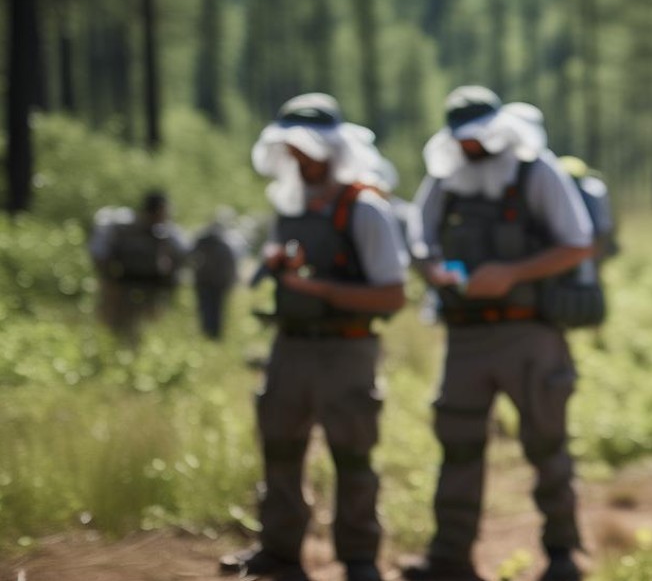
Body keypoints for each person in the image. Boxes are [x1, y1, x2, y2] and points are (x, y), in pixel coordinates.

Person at [401, 86, 594, 581]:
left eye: (478, 138)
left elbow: (577, 244)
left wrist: (512, 273)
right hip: (464, 338)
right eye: (461, 141)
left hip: (530, 335)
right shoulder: (443, 179)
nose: (471, 149)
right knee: (458, 445)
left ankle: (561, 557)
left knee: (547, 447)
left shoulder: (537, 170)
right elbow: (418, 240)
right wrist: (432, 269)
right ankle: (449, 560)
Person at [220, 93, 408, 581]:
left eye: (307, 150)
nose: (299, 160)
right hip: (290, 348)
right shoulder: (289, 205)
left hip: (347, 350)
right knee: (279, 448)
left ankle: (360, 560)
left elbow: (392, 295)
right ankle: (280, 554)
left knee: (352, 455)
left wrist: (321, 289)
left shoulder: (366, 209)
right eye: (292, 151)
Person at [88, 190, 189, 341]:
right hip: (122, 285)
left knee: (146, 328)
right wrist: (108, 278)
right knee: (116, 326)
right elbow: (100, 253)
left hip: (151, 287)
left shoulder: (167, 233)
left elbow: (183, 255)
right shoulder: (123, 227)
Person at [189, 207, 246, 340]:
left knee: (209, 311)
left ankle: (210, 335)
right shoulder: (224, 243)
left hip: (208, 282)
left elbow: (190, 257)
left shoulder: (204, 240)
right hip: (214, 283)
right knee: (214, 311)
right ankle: (212, 335)